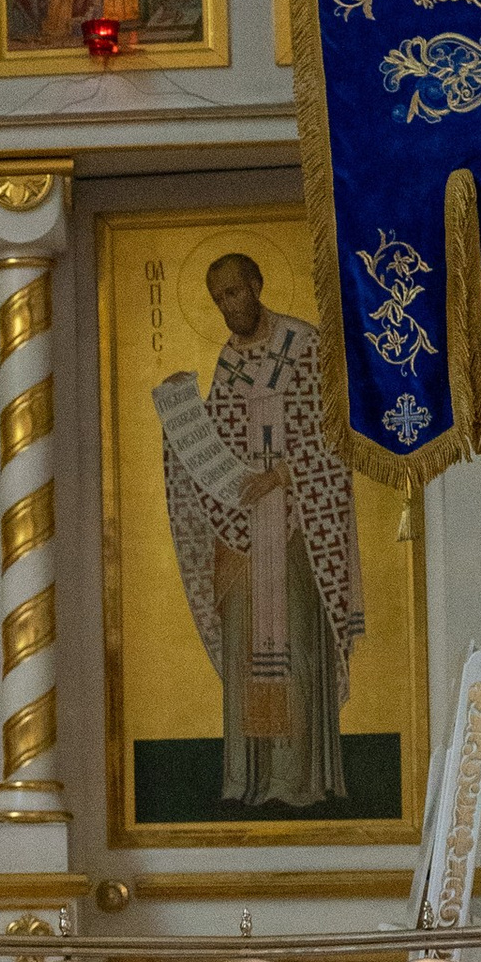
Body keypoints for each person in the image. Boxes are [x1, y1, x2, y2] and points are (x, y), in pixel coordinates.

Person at [156, 251, 364, 809]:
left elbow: (335, 435)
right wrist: (182, 419)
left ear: (257, 285)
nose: (228, 306)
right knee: (248, 650)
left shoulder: (304, 346)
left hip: (296, 523)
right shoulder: (229, 361)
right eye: (218, 298)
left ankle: (297, 781)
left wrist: (280, 474)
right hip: (243, 527)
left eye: (234, 292)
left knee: (293, 643)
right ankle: (248, 779)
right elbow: (216, 442)